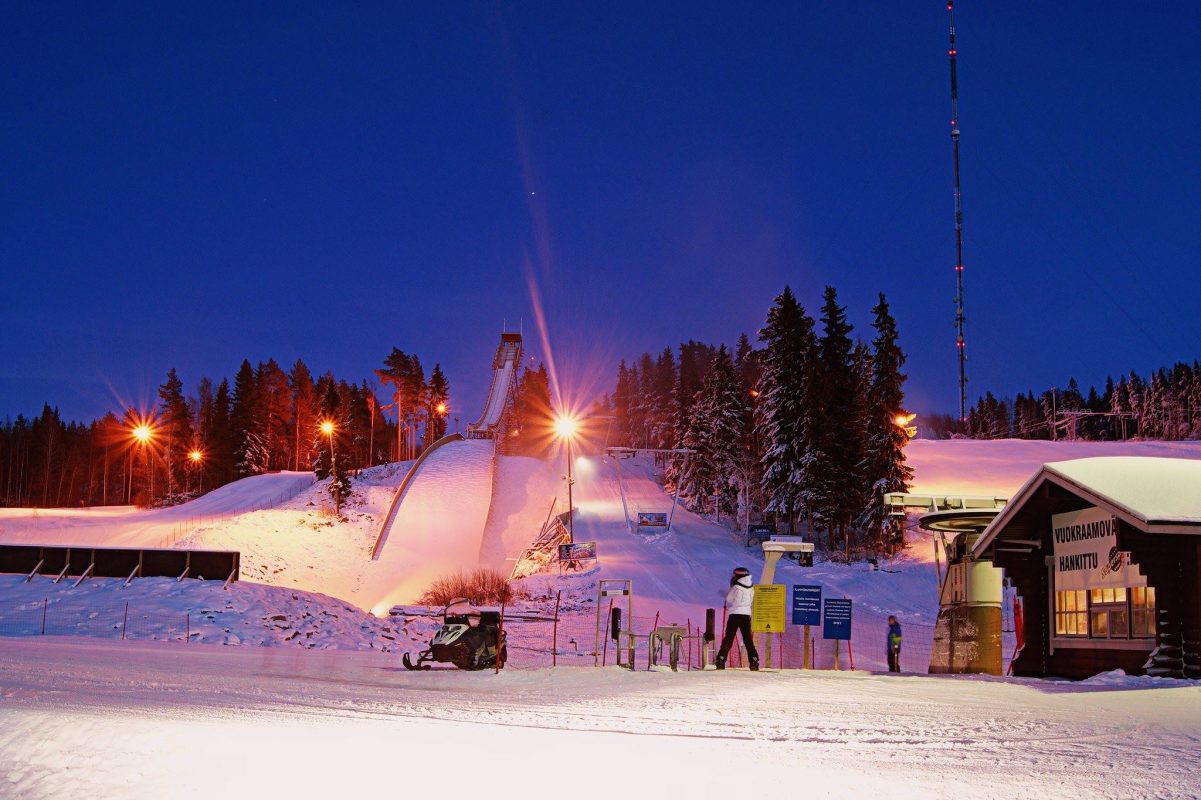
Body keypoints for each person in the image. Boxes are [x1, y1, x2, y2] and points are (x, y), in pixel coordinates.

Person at [716, 566, 759, 671]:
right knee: (748, 640)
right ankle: (754, 661)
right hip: (746, 615)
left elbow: (729, 599)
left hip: (735, 614)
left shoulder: (736, 587)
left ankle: (721, 660)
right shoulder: (751, 587)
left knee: (729, 639)